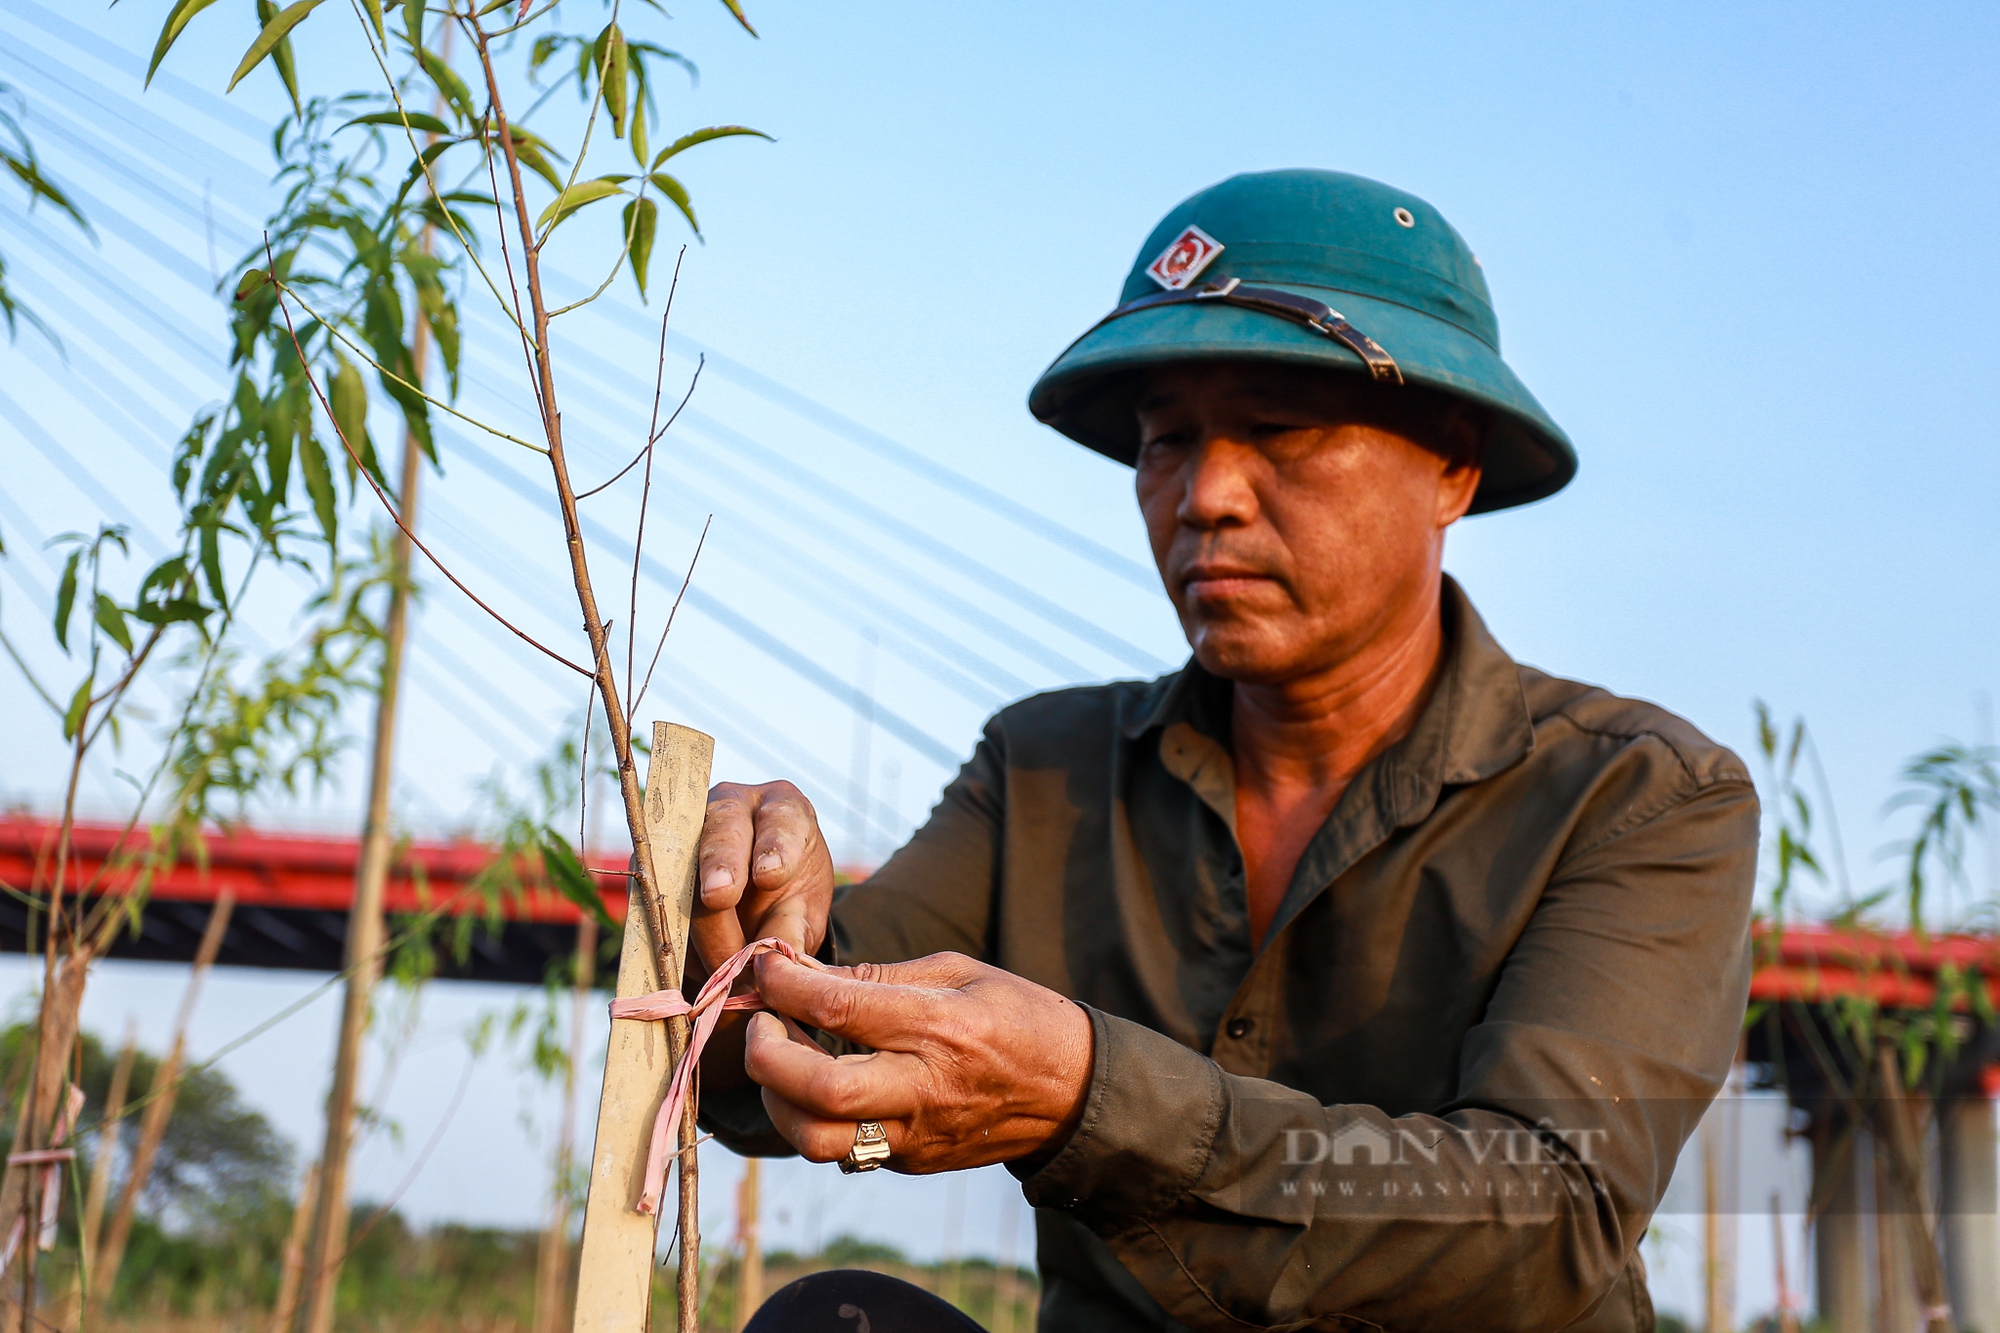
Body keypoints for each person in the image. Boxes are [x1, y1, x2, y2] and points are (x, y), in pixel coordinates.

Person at [688, 169, 1758, 1332]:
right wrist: (749, 944)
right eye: (1165, 441)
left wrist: (1085, 1099)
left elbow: (1542, 1217)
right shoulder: (1043, 764)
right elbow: (792, 1063)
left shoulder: (1639, 794)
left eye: (1279, 429)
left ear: (1451, 463)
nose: (1204, 496)